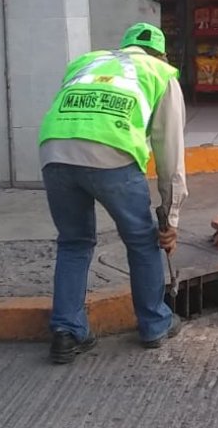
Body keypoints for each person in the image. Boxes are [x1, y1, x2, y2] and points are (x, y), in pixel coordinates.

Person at [38, 22, 187, 363]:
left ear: (123, 47)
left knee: (74, 242)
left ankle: (66, 331)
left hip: (54, 150)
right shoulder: (160, 73)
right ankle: (154, 324)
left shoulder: (87, 62)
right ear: (161, 53)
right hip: (112, 152)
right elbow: (170, 153)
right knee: (142, 240)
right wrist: (171, 217)